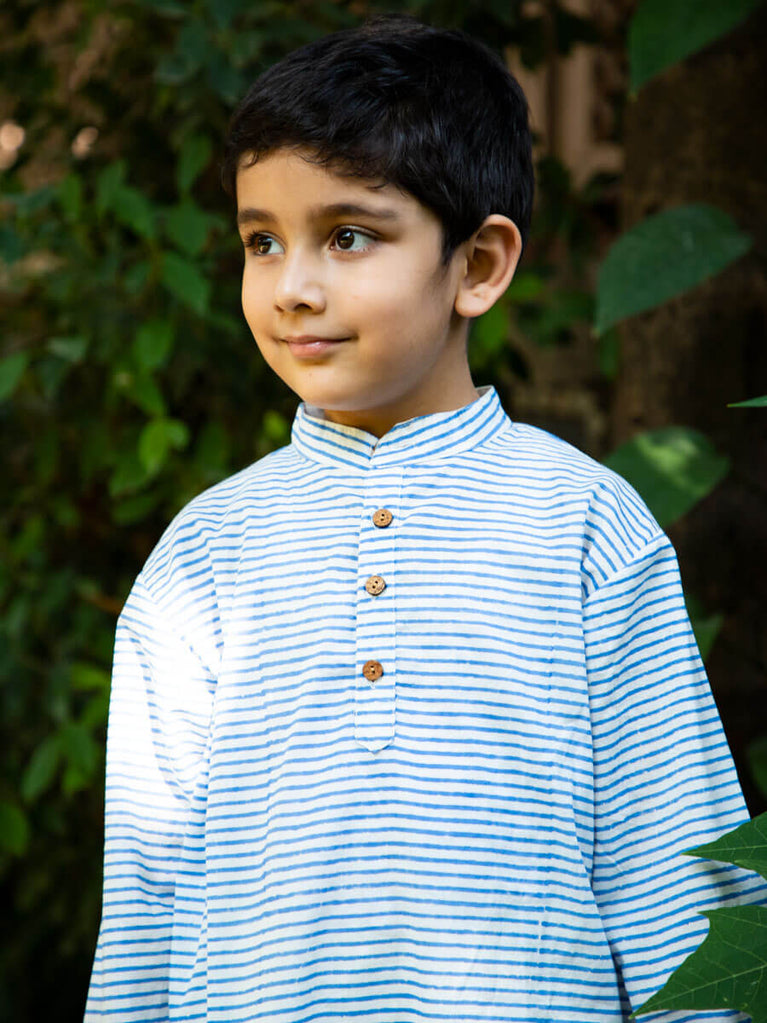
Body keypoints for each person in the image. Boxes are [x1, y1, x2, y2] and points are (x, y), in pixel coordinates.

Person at [85, 15, 761, 1022]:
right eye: (261, 242)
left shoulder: (583, 524)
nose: (292, 288)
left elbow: (675, 876)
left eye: (347, 236)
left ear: (478, 266)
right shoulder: (205, 551)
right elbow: (146, 899)